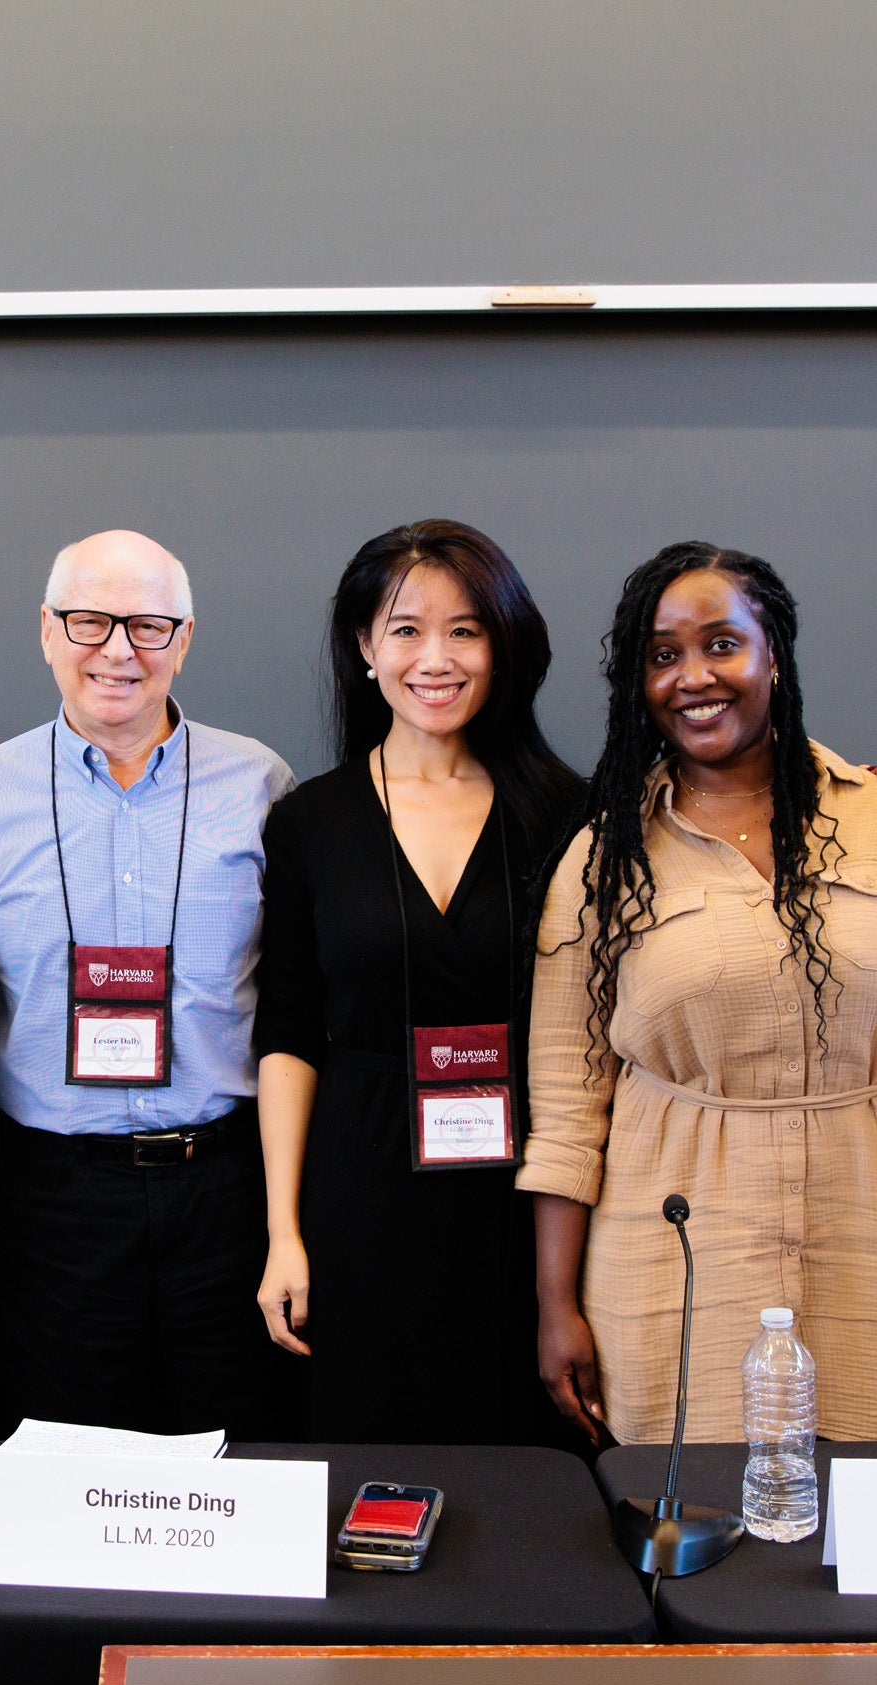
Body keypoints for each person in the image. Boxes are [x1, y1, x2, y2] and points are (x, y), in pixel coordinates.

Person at [521, 541, 877, 1445]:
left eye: (722, 644)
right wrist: (555, 1305)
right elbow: (568, 1110)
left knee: (872, 1532)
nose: (694, 677)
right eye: (663, 655)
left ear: (774, 651)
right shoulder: (602, 859)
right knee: (694, 1533)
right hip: (670, 1258)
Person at [0, 530, 296, 1437]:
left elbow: (297, 1003)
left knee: (237, 1453)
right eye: (91, 623)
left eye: (148, 626)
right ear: (48, 632)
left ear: (186, 638)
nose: (119, 651)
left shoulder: (261, 784)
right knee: (66, 1464)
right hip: (55, 1198)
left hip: (225, 1189)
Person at [253, 520, 586, 1443]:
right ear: (364, 646)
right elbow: (286, 1036)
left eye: (466, 630)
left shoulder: (572, 813)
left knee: (526, 1476)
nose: (434, 658)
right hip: (358, 1201)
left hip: (527, 1205)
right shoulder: (308, 822)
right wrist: (284, 1231)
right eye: (405, 629)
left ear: (503, 645)